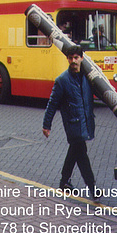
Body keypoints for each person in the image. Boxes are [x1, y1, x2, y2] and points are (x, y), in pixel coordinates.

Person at [42, 45, 99, 199]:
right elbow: (52, 103)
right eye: (70, 58)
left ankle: (64, 181)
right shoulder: (62, 80)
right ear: (67, 59)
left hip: (85, 122)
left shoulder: (88, 77)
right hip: (73, 124)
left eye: (76, 58)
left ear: (81, 58)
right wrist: (47, 125)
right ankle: (93, 188)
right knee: (81, 154)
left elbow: (102, 92)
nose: (73, 61)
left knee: (75, 152)